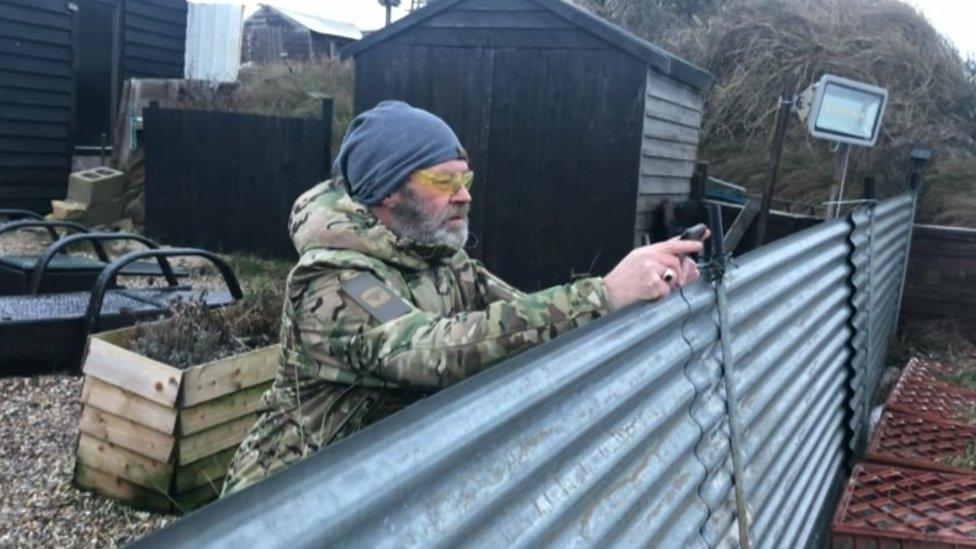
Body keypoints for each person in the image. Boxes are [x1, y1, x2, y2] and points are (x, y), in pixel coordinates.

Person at [222, 101, 705, 495]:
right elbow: (432, 350)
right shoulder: (335, 281)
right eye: (443, 182)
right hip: (283, 504)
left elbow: (523, 321)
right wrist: (601, 294)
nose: (464, 196)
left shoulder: (437, 258)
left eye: (465, 180)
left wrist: (640, 291)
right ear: (387, 191)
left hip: (365, 488)